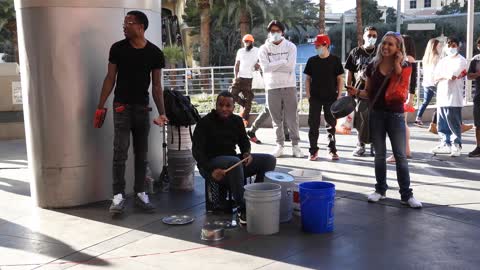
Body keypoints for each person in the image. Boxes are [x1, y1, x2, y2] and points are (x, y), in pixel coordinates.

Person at [95, 11, 168, 214]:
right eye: (124, 23)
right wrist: (101, 105)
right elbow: (110, 78)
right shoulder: (117, 49)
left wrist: (162, 113)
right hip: (121, 108)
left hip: (142, 108)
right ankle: (118, 197)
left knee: (141, 154)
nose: (124, 26)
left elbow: (156, 86)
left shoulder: (154, 53)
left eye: (128, 23)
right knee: (120, 152)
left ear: (140, 27)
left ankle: (140, 194)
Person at [347, 32, 422, 208]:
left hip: (395, 114)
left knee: (400, 155)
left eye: (391, 44)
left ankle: (406, 194)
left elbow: (402, 85)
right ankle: (380, 189)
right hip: (377, 114)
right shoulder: (372, 66)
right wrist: (356, 92)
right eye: (384, 43)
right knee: (379, 155)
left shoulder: (405, 65)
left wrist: (397, 63)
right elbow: (369, 92)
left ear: (398, 48)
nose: (386, 47)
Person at [192, 91, 277, 224]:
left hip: (232, 163)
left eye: (228, 106)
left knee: (269, 160)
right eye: (221, 105)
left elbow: (244, 141)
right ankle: (244, 208)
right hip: (210, 164)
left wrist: (246, 153)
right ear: (216, 105)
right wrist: (210, 170)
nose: (224, 108)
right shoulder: (205, 122)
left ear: (233, 107)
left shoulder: (236, 120)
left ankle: (256, 197)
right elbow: (197, 152)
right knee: (235, 161)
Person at [258, 20, 304, 158]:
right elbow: (265, 68)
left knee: (292, 118)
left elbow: (290, 67)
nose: (275, 34)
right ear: (269, 33)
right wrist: (282, 61)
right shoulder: (263, 49)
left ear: (282, 32)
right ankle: (279, 145)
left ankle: (296, 146)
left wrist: (274, 64)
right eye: (272, 31)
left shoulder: (291, 46)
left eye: (278, 31)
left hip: (289, 86)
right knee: (276, 119)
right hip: (271, 87)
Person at [304, 34, 344, 161]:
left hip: (331, 98)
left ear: (326, 45)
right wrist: (308, 95)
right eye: (315, 46)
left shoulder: (335, 60)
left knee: (331, 125)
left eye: (318, 45)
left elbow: (339, 79)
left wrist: (339, 95)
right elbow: (307, 79)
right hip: (315, 98)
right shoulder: (312, 61)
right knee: (313, 125)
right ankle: (313, 150)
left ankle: (332, 150)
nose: (316, 47)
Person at [431, 37, 468, 157]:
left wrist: (443, 75)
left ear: (458, 46)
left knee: (454, 122)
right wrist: (444, 76)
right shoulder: (443, 60)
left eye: (454, 45)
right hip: (442, 96)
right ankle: (445, 144)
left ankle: (456, 145)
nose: (451, 47)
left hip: (454, 97)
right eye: (449, 45)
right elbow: (435, 77)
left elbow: (453, 75)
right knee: (442, 123)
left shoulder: (461, 60)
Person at [345, 26, 378, 157]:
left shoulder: (380, 52)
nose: (371, 38)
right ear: (364, 36)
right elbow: (349, 71)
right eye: (369, 35)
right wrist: (348, 88)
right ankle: (361, 145)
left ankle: (375, 145)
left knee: (375, 119)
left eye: (374, 36)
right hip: (359, 91)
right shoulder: (356, 52)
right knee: (360, 119)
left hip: (376, 92)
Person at [387, 35, 417, 163]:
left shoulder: (406, 60)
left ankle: (400, 152)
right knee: (402, 124)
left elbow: (411, 80)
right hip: (405, 95)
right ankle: (406, 150)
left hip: (401, 95)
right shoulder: (410, 59)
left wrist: (409, 97)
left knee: (399, 125)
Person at [230, 34, 260, 127]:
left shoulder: (257, 50)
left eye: (249, 41)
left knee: (249, 99)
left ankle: (244, 119)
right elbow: (237, 64)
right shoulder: (240, 51)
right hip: (239, 78)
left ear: (252, 42)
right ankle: (244, 105)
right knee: (231, 94)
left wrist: (258, 64)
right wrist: (235, 76)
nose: (247, 43)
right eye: (245, 41)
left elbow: (263, 60)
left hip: (250, 79)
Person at [415, 38, 441, 127]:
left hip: (426, 82)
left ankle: (418, 118)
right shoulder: (437, 57)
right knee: (441, 101)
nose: (440, 47)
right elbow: (437, 71)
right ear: (435, 46)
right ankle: (436, 121)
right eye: (439, 45)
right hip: (435, 83)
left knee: (425, 102)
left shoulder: (425, 57)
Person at [466, 36, 480, 157]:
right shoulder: (476, 60)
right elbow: (469, 76)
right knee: (478, 123)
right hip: (478, 96)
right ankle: (479, 147)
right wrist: (477, 74)